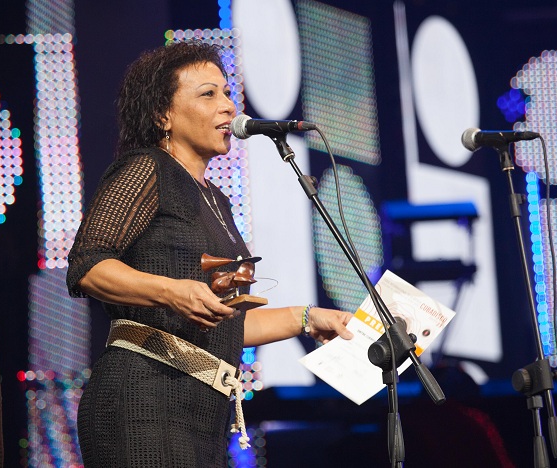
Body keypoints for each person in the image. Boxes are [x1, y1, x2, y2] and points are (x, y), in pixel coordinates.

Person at [66, 39, 354, 467]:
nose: (228, 106)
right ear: (162, 114)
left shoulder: (217, 201)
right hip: (144, 397)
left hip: (202, 411)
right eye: (208, 94)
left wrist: (308, 318)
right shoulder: (146, 168)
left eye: (226, 92)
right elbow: (87, 266)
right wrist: (171, 291)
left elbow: (227, 323)